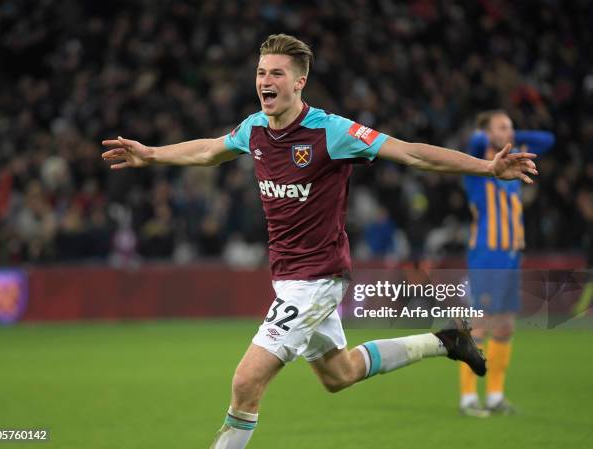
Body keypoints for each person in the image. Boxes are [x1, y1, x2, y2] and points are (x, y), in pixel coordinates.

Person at [101, 34, 538, 448]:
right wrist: (153, 154)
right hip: (289, 277)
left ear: (299, 82)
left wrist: (487, 169)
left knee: (245, 382)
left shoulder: (331, 132)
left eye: (275, 73)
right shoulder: (255, 128)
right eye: (260, 73)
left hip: (317, 278)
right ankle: (444, 341)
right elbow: (210, 150)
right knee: (339, 374)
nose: (264, 82)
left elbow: (411, 153)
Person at [460, 110, 554, 417]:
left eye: (512, 126)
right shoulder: (476, 167)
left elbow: (548, 140)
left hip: (511, 256)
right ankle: (469, 397)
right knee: (481, 325)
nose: (510, 132)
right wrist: (491, 134)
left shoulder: (511, 167)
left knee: (505, 325)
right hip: (487, 254)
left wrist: (509, 134)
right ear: (486, 132)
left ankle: (496, 396)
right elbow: (474, 141)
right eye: (502, 126)